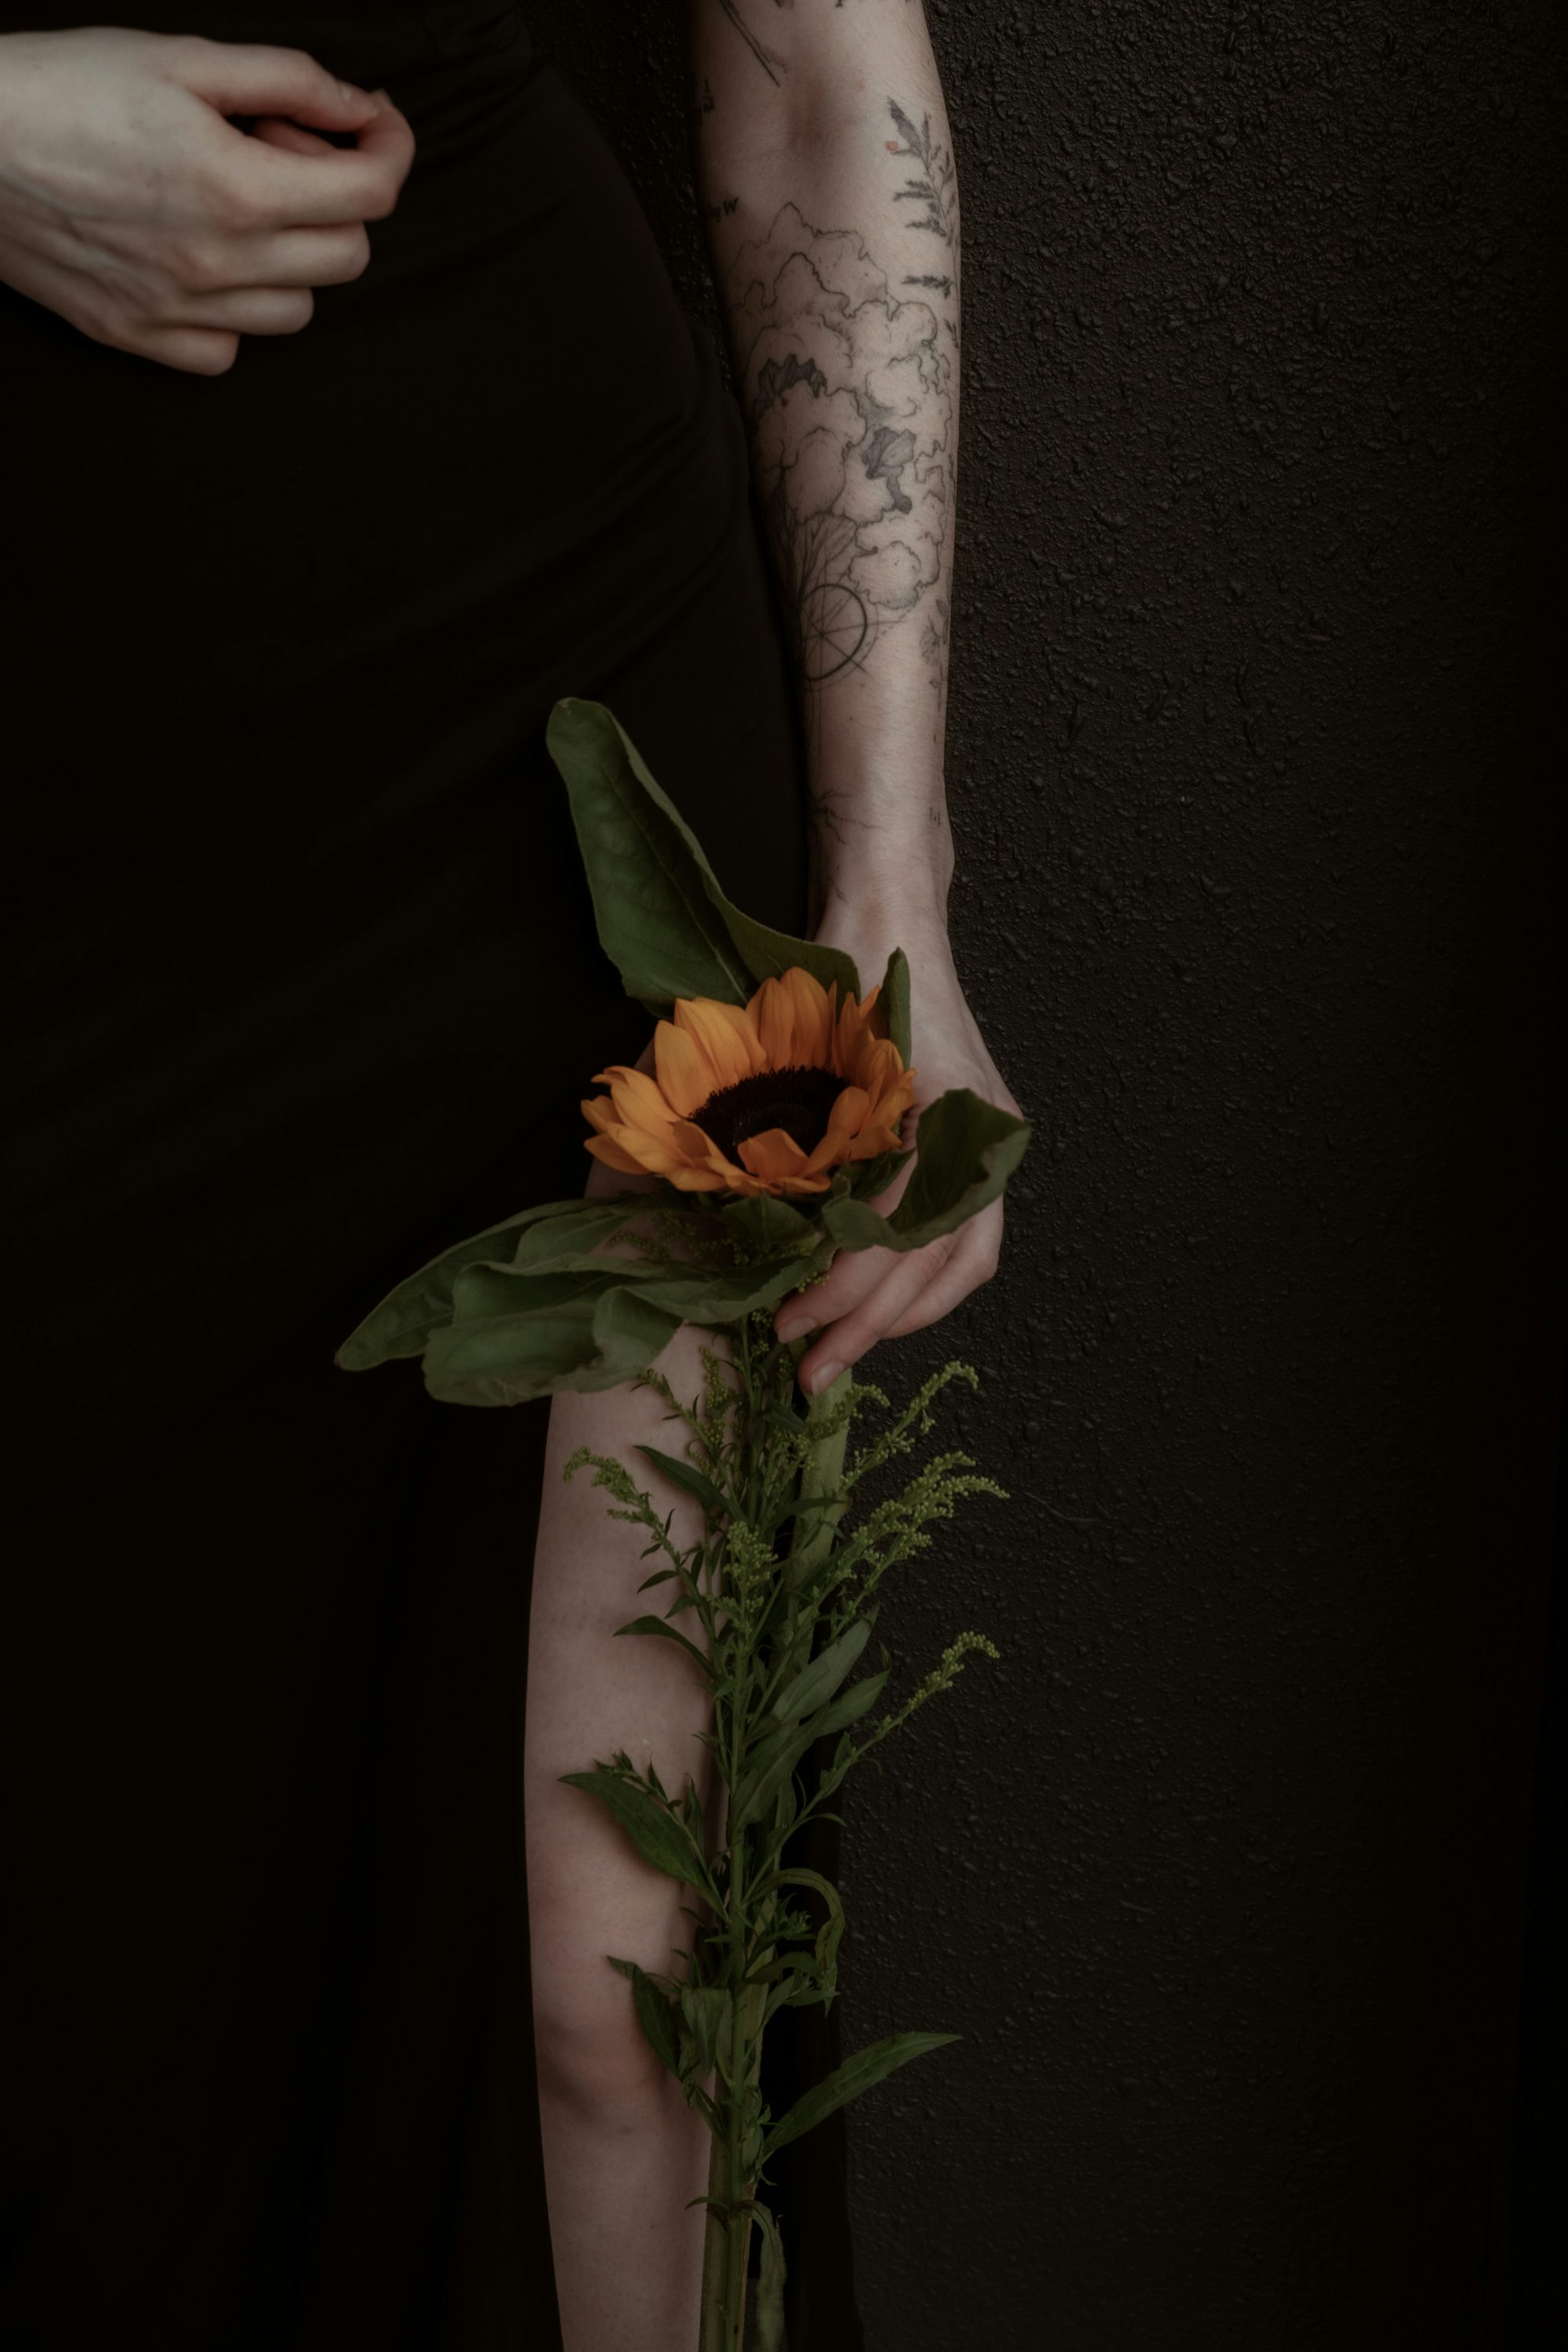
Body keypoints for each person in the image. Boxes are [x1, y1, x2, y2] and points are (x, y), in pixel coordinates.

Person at [0, 5, 1021, 2347]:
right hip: (41, 793)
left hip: (546, 729)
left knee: (624, 1986)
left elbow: (818, 74)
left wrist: (884, 888)